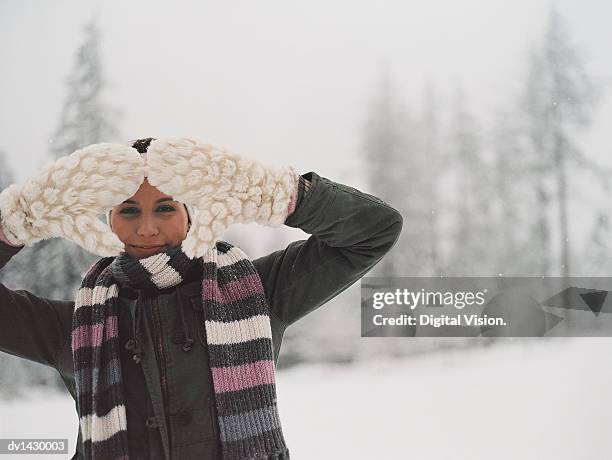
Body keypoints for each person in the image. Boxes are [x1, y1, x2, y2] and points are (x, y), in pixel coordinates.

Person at [0, 137, 403, 460]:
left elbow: (374, 231)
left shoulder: (258, 291)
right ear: (108, 222)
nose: (146, 228)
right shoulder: (73, 327)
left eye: (164, 207)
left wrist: (276, 192)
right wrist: (17, 219)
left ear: (190, 215)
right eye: (127, 211)